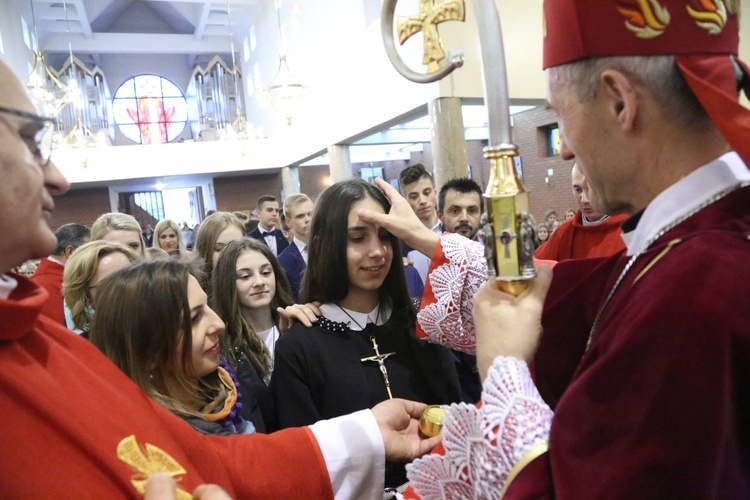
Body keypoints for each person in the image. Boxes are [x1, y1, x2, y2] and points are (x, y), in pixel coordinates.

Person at [0, 57, 438, 498]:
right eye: (30, 142)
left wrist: (365, 436)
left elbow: (206, 461)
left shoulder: (52, 346)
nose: (57, 177)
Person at [362, 0, 750, 496]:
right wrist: (425, 239)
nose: (564, 148)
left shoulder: (698, 286)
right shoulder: (702, 242)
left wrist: (505, 368)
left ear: (618, 102)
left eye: (561, 114)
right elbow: (577, 298)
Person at [271, 179, 462, 490]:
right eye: (358, 238)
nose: (377, 251)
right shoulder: (300, 345)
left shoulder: (422, 324)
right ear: (322, 246)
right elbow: (304, 462)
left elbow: (453, 421)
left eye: (386, 237)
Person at [90, 259, 259, 436]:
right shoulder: (156, 441)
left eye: (207, 306)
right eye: (194, 318)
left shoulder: (223, 384)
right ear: (147, 353)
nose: (219, 324)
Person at [212, 237, 296, 432]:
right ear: (228, 283)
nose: (259, 282)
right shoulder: (222, 346)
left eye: (266, 273)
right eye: (245, 276)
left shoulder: (295, 325)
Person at [535, 163, 628, 260]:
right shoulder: (564, 233)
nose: (584, 199)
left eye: (592, 189)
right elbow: (535, 265)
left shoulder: (631, 229)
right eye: (578, 190)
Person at [62, 240, 142, 335]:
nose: (129, 287)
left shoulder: (160, 331)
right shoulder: (83, 347)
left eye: (132, 276)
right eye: (111, 284)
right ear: (86, 297)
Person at [31, 222, 90, 324]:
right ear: (70, 251)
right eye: (88, 250)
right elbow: (57, 331)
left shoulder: (59, 277)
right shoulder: (46, 285)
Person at [398, 164, 440, 284]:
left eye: (426, 193)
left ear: (435, 193)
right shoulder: (401, 239)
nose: (422, 201)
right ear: (405, 200)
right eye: (414, 196)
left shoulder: (452, 229)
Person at [192, 211, 246, 291]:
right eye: (219, 248)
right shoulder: (194, 290)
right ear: (204, 250)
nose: (229, 254)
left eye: (236, 247)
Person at [277, 193, 313, 301]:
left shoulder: (331, 248)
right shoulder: (282, 261)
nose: (307, 219)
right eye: (300, 216)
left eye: (311, 214)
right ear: (288, 222)